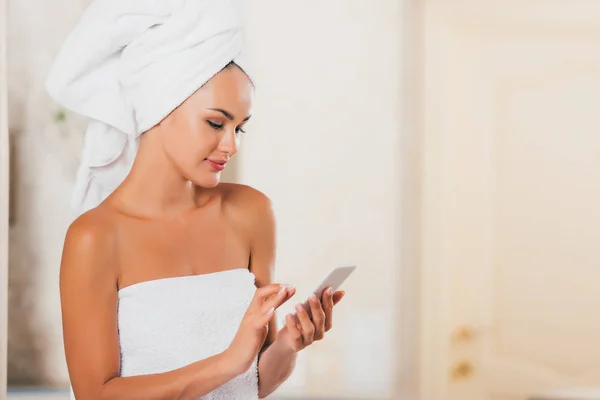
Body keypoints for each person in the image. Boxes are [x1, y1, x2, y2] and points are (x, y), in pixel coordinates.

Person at [45, 0, 345, 399]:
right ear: (159, 106)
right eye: (216, 123)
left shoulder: (251, 213)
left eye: (240, 128)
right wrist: (227, 361)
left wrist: (289, 344)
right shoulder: (94, 237)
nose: (230, 145)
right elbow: (94, 395)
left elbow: (252, 383)